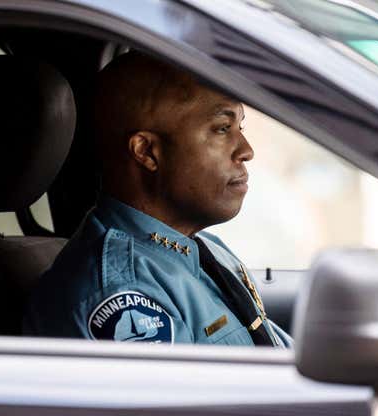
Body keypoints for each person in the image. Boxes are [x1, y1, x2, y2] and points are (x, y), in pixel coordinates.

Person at [24, 51, 292, 347]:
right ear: (147, 152)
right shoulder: (125, 293)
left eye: (239, 127)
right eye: (222, 129)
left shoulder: (205, 249)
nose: (246, 150)